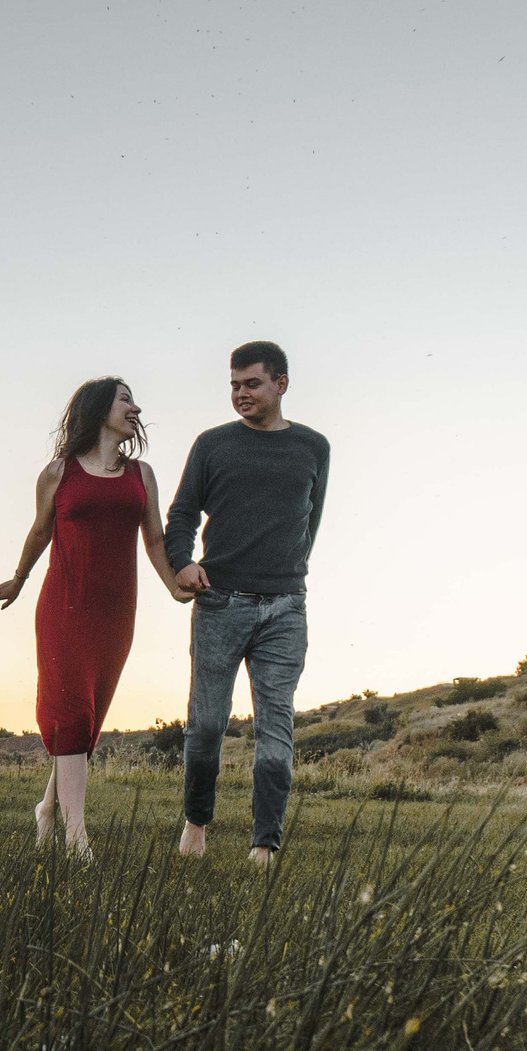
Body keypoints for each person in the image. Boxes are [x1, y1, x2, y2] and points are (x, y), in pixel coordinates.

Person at [0, 377, 190, 856]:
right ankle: (76, 838)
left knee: (86, 719)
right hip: (65, 606)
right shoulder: (59, 473)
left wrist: (174, 586)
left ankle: (47, 808)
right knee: (70, 712)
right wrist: (18, 578)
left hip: (116, 614)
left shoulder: (142, 475)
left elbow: (154, 541)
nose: (136, 409)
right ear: (100, 410)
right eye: (126, 400)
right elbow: (40, 531)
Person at [165, 341, 330, 865]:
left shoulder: (314, 446)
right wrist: (181, 561)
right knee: (207, 725)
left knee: (275, 728)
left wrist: (289, 575)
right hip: (220, 604)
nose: (240, 393)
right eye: (234, 385)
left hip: (286, 608)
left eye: (252, 383)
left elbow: (310, 520)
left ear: (281, 384)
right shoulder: (213, 444)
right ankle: (196, 823)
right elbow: (182, 514)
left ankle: (264, 846)